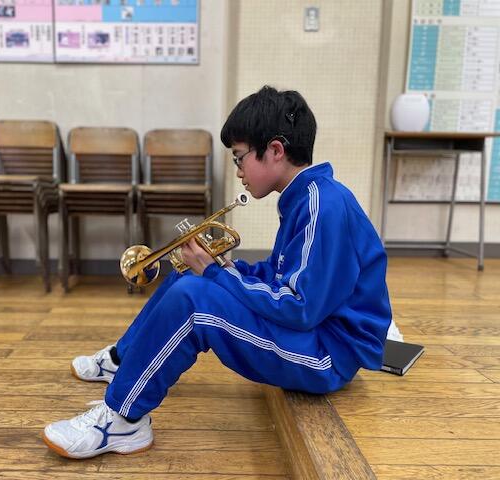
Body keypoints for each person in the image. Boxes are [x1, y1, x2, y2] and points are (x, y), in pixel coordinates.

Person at [42, 86, 392, 459]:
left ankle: (123, 421)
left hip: (329, 355)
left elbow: (300, 308)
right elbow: (281, 276)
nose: (238, 171)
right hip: (315, 335)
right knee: (188, 277)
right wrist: (226, 266)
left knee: (194, 301)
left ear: (275, 150)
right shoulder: (306, 197)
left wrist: (218, 274)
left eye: (240, 158)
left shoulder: (322, 205)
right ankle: (123, 359)